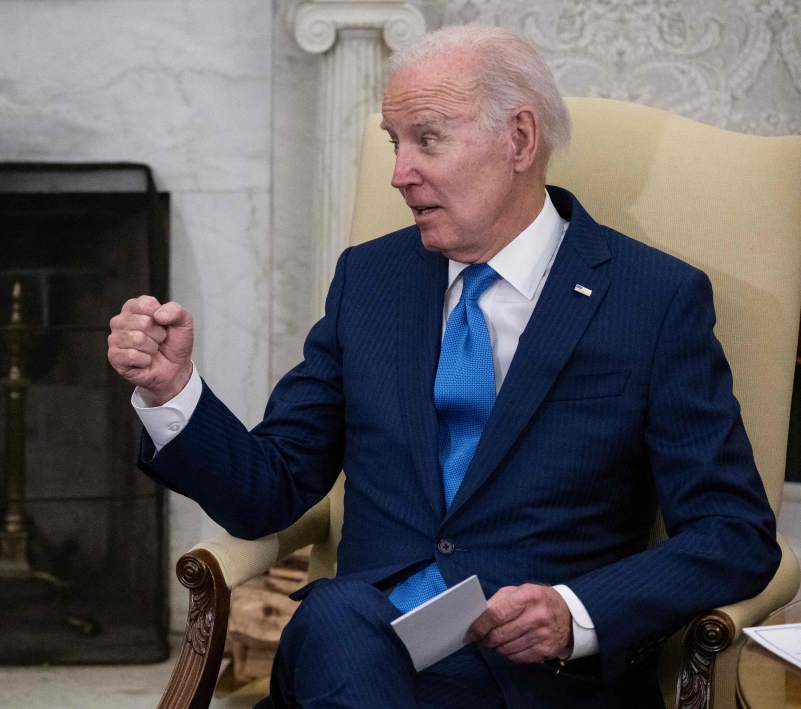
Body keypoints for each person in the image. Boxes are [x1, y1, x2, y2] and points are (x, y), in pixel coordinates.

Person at [107, 25, 779, 709]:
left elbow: (734, 532)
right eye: (394, 142)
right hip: (360, 648)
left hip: (533, 679)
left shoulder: (652, 299)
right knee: (340, 616)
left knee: (338, 628)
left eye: (427, 140)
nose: (400, 173)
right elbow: (268, 492)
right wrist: (172, 391)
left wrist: (573, 612)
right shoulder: (370, 279)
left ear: (520, 139)